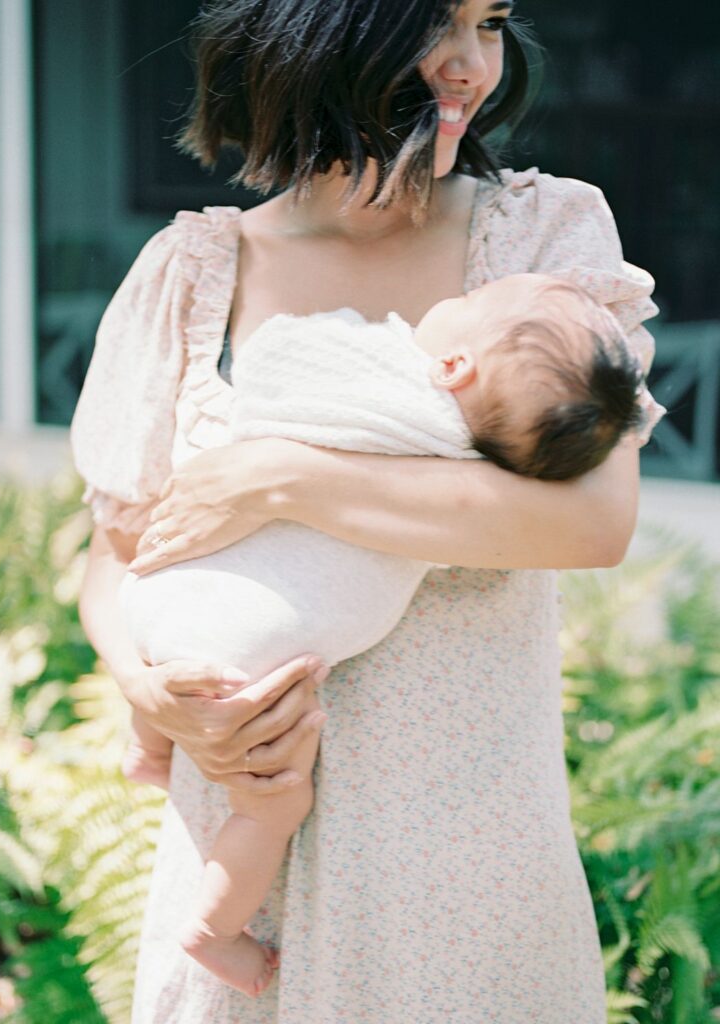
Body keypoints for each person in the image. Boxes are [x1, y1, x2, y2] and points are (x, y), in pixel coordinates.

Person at [73, 0, 661, 1020]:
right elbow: (115, 552)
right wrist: (153, 694)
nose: (474, 65)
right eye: (443, 23)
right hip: (245, 879)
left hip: (467, 877)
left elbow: (592, 522)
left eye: (492, 23)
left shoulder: (541, 240)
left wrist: (278, 475)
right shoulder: (194, 272)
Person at [115, 273, 660, 997]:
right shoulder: (459, 461)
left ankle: (148, 746)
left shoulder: (359, 361)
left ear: (454, 366)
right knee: (271, 803)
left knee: (187, 665)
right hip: (261, 651)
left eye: (464, 303)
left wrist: (279, 468)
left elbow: (276, 354)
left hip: (172, 595)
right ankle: (214, 929)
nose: (444, 301)